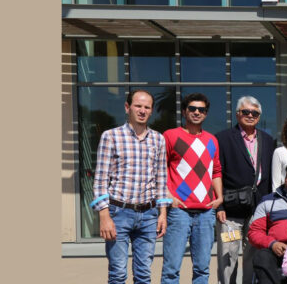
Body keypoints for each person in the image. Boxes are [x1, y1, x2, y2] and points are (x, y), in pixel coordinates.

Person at [92, 89, 170, 284]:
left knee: (144, 275)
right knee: (118, 274)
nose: (142, 110)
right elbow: (100, 179)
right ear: (127, 107)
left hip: (149, 216)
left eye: (147, 107)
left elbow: (161, 178)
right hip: (119, 213)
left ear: (151, 111)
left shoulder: (158, 139)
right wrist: (104, 216)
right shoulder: (111, 136)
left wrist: (162, 214)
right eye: (138, 106)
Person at [161, 93, 224, 284]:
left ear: (206, 114)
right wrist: (168, 195)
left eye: (201, 110)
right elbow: (160, 169)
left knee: (203, 269)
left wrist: (220, 197)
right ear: (184, 111)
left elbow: (216, 171)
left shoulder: (212, 140)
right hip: (179, 211)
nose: (197, 112)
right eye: (192, 109)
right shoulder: (170, 136)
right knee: (171, 269)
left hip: (206, 213)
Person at [215, 96, 278, 284]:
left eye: (255, 113)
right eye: (246, 112)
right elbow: (217, 174)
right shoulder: (223, 138)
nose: (250, 115)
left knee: (252, 257)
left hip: (257, 211)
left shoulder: (267, 140)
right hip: (230, 212)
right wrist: (219, 207)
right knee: (228, 258)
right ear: (237, 114)